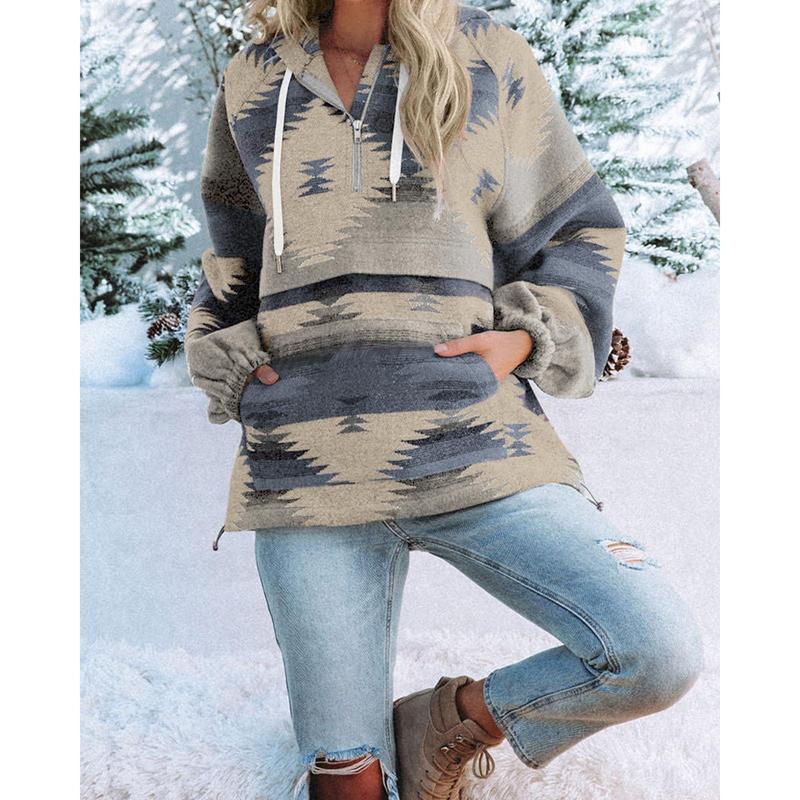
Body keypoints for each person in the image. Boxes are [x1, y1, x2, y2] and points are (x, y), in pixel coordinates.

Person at [184, 1, 705, 798]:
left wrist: (527, 337)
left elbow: (579, 229)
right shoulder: (254, 77)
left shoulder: (488, 54)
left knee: (656, 652)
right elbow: (234, 255)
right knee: (346, 783)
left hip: (480, 447)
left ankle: (449, 719)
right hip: (308, 476)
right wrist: (230, 357)